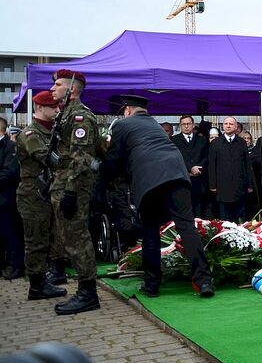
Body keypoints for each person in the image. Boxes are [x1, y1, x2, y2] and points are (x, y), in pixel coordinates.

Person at [101, 95, 215, 297]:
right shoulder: (153, 125)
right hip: (178, 176)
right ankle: (204, 282)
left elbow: (114, 160)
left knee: (150, 232)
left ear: (127, 110)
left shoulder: (123, 125)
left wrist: (101, 173)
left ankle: (152, 285)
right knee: (187, 228)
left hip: (149, 181)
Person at [48, 69, 101, 316]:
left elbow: (82, 159)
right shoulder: (65, 116)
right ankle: (85, 290)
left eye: (58, 85)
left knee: (78, 239)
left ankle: (88, 292)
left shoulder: (80, 117)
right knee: (68, 238)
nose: (52, 89)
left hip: (74, 188)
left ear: (72, 89)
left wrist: (70, 192)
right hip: (63, 184)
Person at [15, 92, 67, 299]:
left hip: (50, 191)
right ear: (39, 107)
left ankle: (52, 274)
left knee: (55, 235)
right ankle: (36, 285)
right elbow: (48, 158)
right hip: (33, 194)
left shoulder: (53, 131)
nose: (57, 110)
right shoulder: (30, 134)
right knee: (36, 240)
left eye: (58, 106)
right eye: (52, 106)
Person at [208, 116, 254, 222]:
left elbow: (247, 164)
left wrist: (249, 184)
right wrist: (212, 185)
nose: (228, 126)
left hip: (239, 186)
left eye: (231, 124)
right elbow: (212, 165)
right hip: (222, 186)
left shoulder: (241, 142)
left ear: (236, 127)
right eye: (226, 124)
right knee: (224, 218)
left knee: (240, 218)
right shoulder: (216, 143)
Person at [171, 114, 209, 218]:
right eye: (183, 124)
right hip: (182, 181)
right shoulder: (173, 140)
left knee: (199, 212)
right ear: (180, 126)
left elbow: (206, 157)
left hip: (199, 181)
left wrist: (198, 167)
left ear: (193, 125)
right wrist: (190, 168)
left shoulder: (202, 140)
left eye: (188, 124)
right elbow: (174, 158)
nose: (186, 126)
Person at [1, 115, 24, 280]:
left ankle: (15, 266)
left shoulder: (10, 147)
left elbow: (10, 172)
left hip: (6, 199)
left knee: (10, 233)